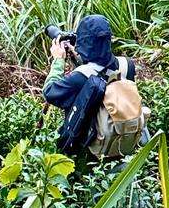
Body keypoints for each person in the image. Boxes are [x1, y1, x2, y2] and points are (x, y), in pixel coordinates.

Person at [43, 14, 137, 157]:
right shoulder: (127, 65)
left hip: (94, 147)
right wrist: (79, 58)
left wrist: (58, 61)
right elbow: (102, 71)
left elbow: (50, 92)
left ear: (84, 42)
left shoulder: (80, 77)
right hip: (123, 138)